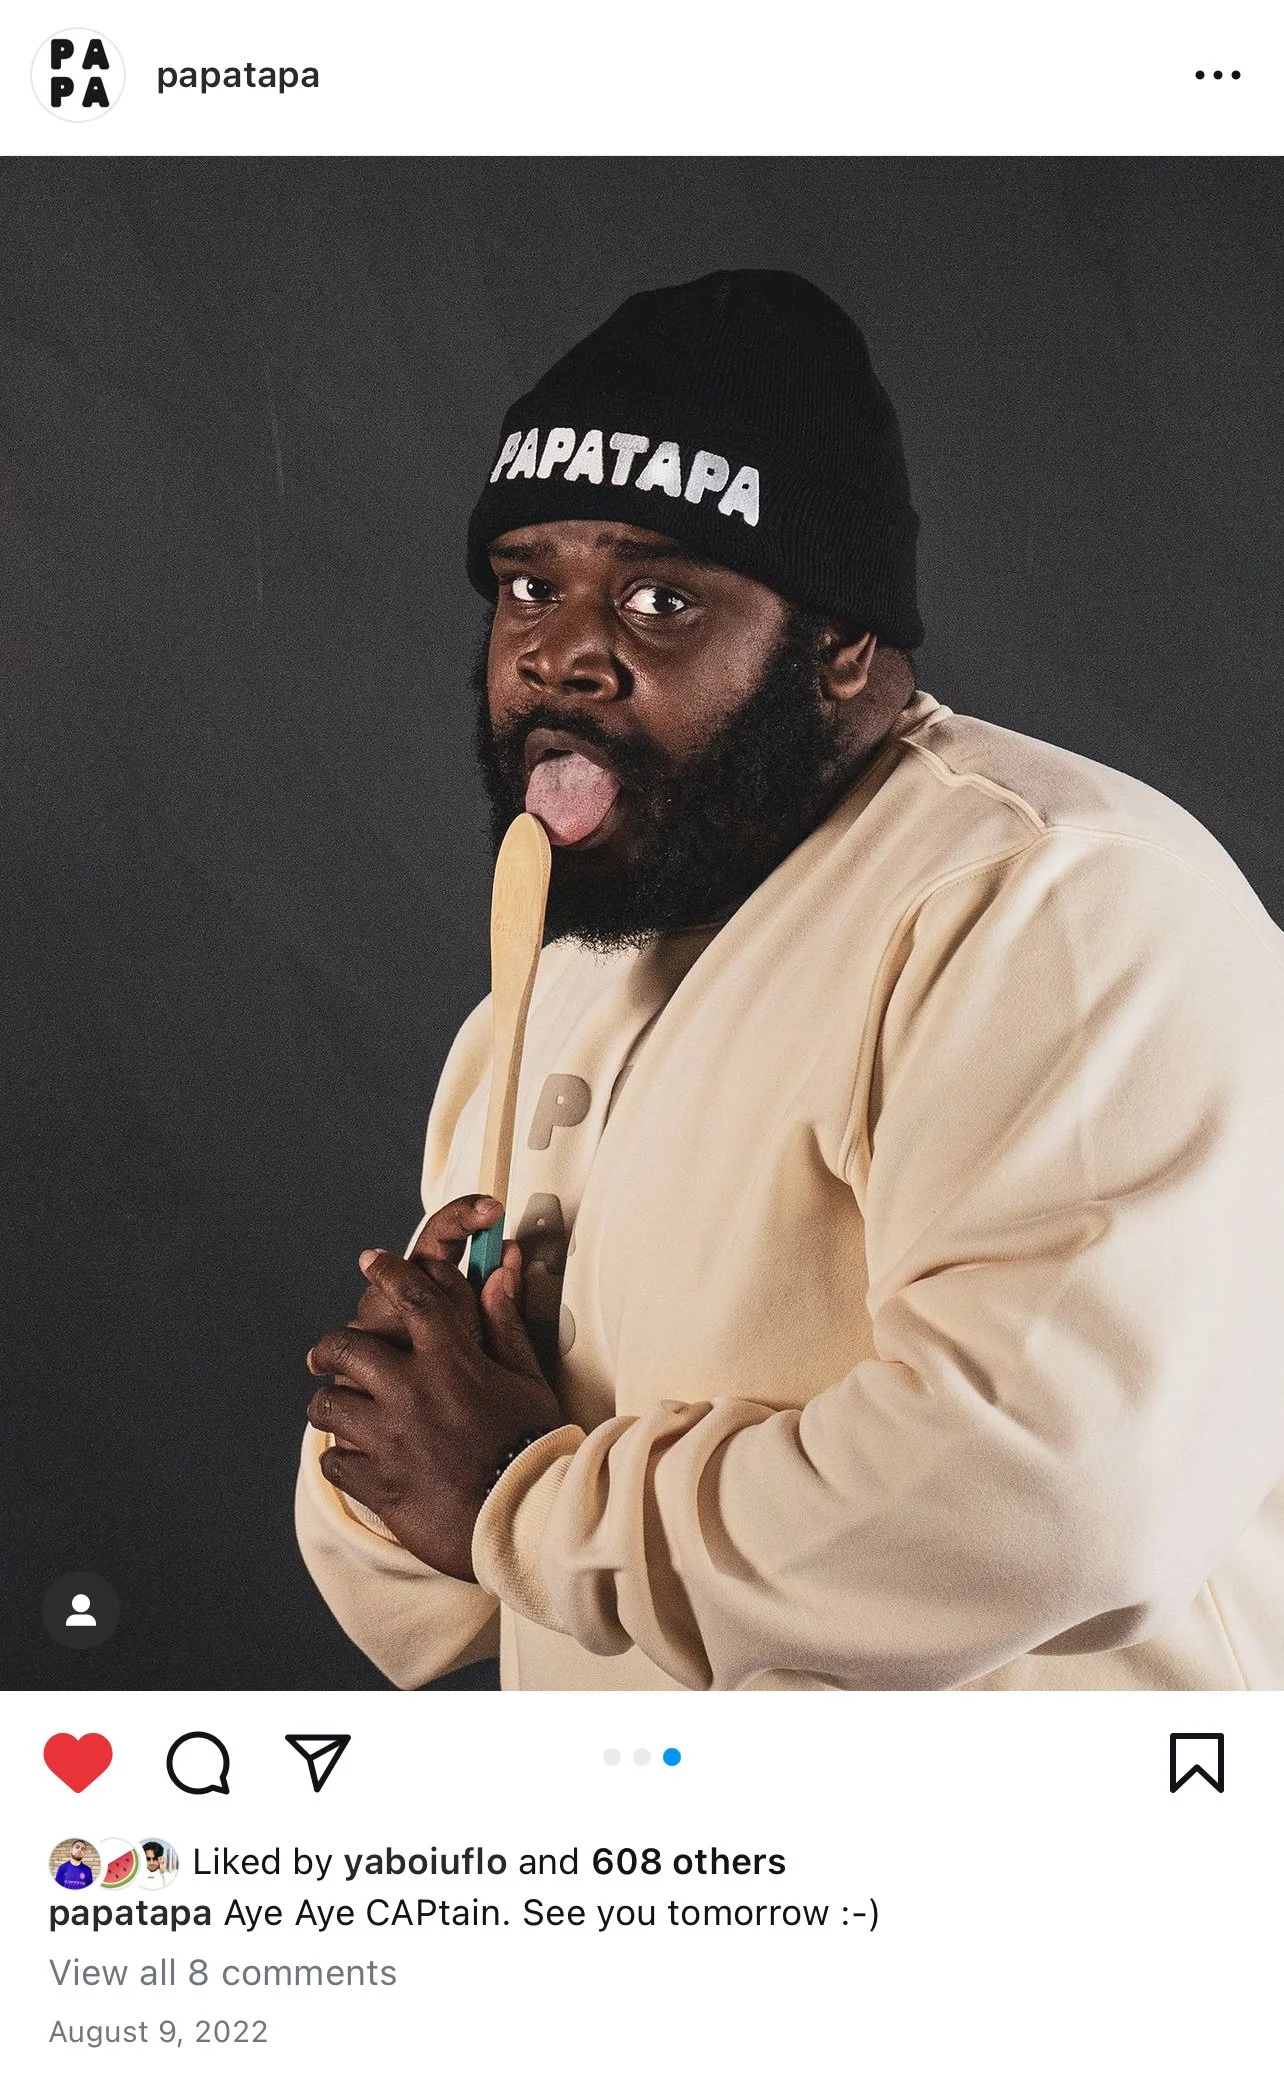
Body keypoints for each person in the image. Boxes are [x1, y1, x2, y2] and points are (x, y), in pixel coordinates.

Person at [296, 270, 1284, 1691]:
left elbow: (1056, 1496)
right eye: (528, 585)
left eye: (657, 597)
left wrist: (518, 1486)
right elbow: (433, 1590)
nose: (561, 653)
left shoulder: (1053, 902)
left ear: (842, 644)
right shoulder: (564, 977)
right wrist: (402, 1420)